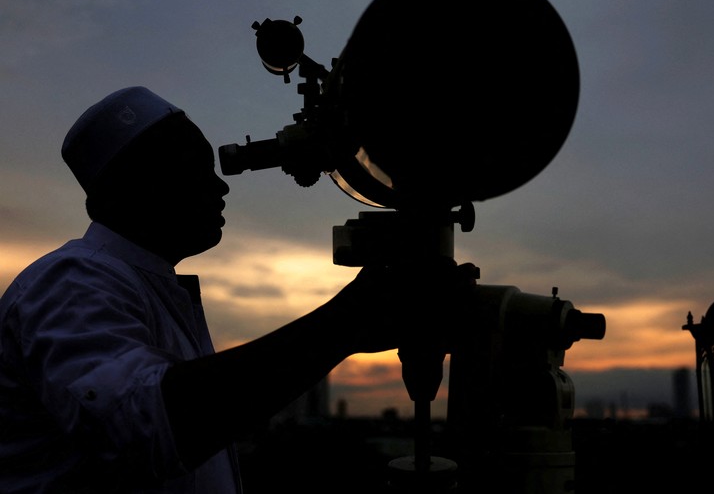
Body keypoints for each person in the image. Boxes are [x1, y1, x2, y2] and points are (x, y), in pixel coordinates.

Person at [0, 86, 474, 493]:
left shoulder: (142, 289)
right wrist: (348, 321)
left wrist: (352, 325)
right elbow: (146, 427)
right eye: (197, 168)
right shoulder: (70, 281)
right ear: (140, 184)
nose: (220, 188)